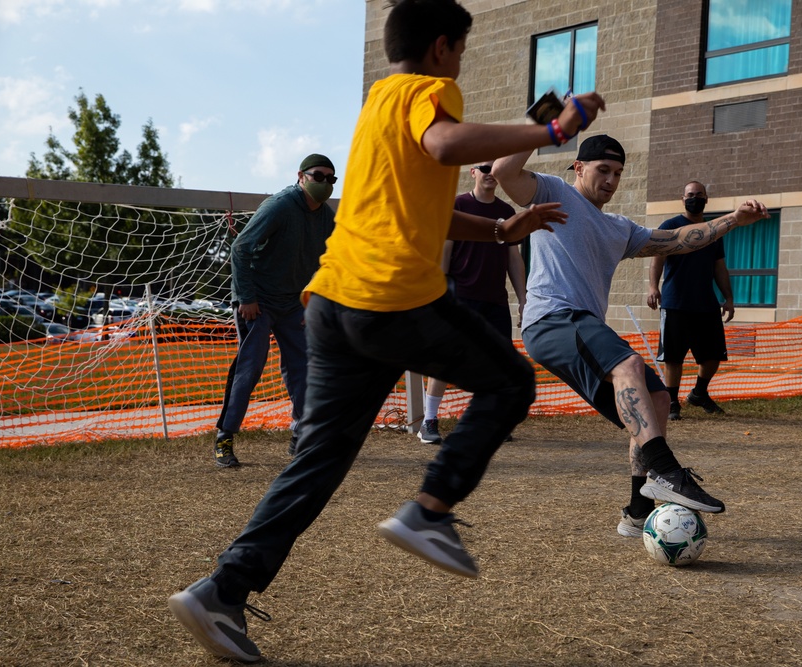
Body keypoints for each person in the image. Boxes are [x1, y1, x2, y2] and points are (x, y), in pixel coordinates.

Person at [168, 0, 606, 662]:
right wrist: (548, 130)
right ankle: (429, 510)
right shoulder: (432, 92)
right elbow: (444, 143)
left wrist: (495, 229)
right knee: (512, 381)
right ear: (440, 48)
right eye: (460, 50)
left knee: (318, 461)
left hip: (333, 303)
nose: (460, 63)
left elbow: (418, 203)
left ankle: (221, 590)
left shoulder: (379, 101)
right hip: (389, 300)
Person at [492, 134, 768, 539]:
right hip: (551, 319)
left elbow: (677, 241)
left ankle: (638, 511)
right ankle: (668, 471)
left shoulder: (616, 228)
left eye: (618, 173)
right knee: (629, 364)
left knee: (657, 400)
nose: (611, 179)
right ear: (579, 168)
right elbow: (503, 171)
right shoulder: (554, 192)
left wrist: (733, 220)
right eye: (603, 170)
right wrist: (547, 128)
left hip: (582, 325)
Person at [213, 154, 337, 467]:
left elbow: (334, 257)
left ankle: (302, 433)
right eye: (318, 176)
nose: (324, 183)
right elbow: (240, 248)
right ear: (301, 176)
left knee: (303, 367)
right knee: (250, 366)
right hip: (258, 301)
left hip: (293, 302)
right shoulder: (280, 206)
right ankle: (224, 438)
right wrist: (247, 296)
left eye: (331, 179)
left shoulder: (325, 216)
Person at [417, 161, 526, 444]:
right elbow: (444, 251)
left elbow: (514, 259)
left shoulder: (506, 213)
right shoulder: (457, 206)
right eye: (484, 167)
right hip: (460, 298)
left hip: (495, 301)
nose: (490, 172)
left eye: (495, 167)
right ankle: (429, 422)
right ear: (473, 172)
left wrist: (524, 300)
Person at [646, 181, 733, 420]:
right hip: (676, 303)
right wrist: (653, 287)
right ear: (683, 199)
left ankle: (699, 393)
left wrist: (728, 298)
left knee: (713, 357)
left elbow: (720, 267)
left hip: (706, 304)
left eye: (699, 195)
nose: (694, 198)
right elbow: (657, 259)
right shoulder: (671, 226)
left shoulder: (713, 230)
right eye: (690, 195)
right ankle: (672, 402)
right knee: (673, 357)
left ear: (707, 198)